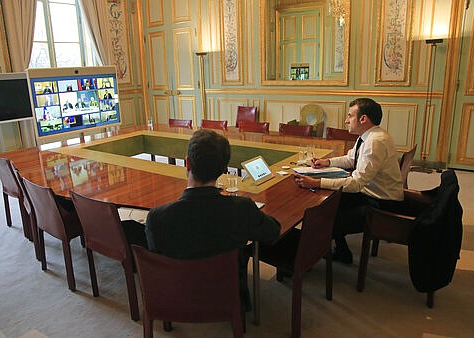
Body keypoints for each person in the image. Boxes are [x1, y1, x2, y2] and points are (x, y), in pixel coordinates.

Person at [145, 129, 281, 311]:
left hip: (178, 296)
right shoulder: (243, 208)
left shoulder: (156, 217)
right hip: (228, 294)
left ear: (187, 164)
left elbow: (156, 256)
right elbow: (273, 231)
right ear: (224, 170)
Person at [293, 98, 403, 264]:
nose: (346, 120)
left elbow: (356, 184)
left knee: (327, 218)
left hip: (381, 204)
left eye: (350, 115)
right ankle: (341, 251)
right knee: (327, 205)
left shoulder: (375, 142)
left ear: (363, 119)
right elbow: (351, 159)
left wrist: (316, 183)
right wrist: (327, 162)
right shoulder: (368, 136)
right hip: (371, 193)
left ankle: (311, 257)